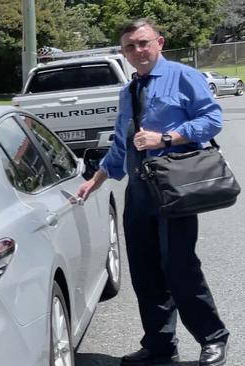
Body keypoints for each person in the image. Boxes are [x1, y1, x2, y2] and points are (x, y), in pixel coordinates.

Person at [77, 19, 228, 366]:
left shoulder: (183, 76)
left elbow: (212, 119)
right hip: (140, 191)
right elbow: (121, 145)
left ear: (159, 42)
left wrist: (166, 138)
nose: (138, 51)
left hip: (175, 187)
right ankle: (160, 346)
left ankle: (213, 338)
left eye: (143, 43)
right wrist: (95, 181)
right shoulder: (128, 91)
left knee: (179, 266)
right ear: (123, 52)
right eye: (130, 47)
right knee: (145, 271)